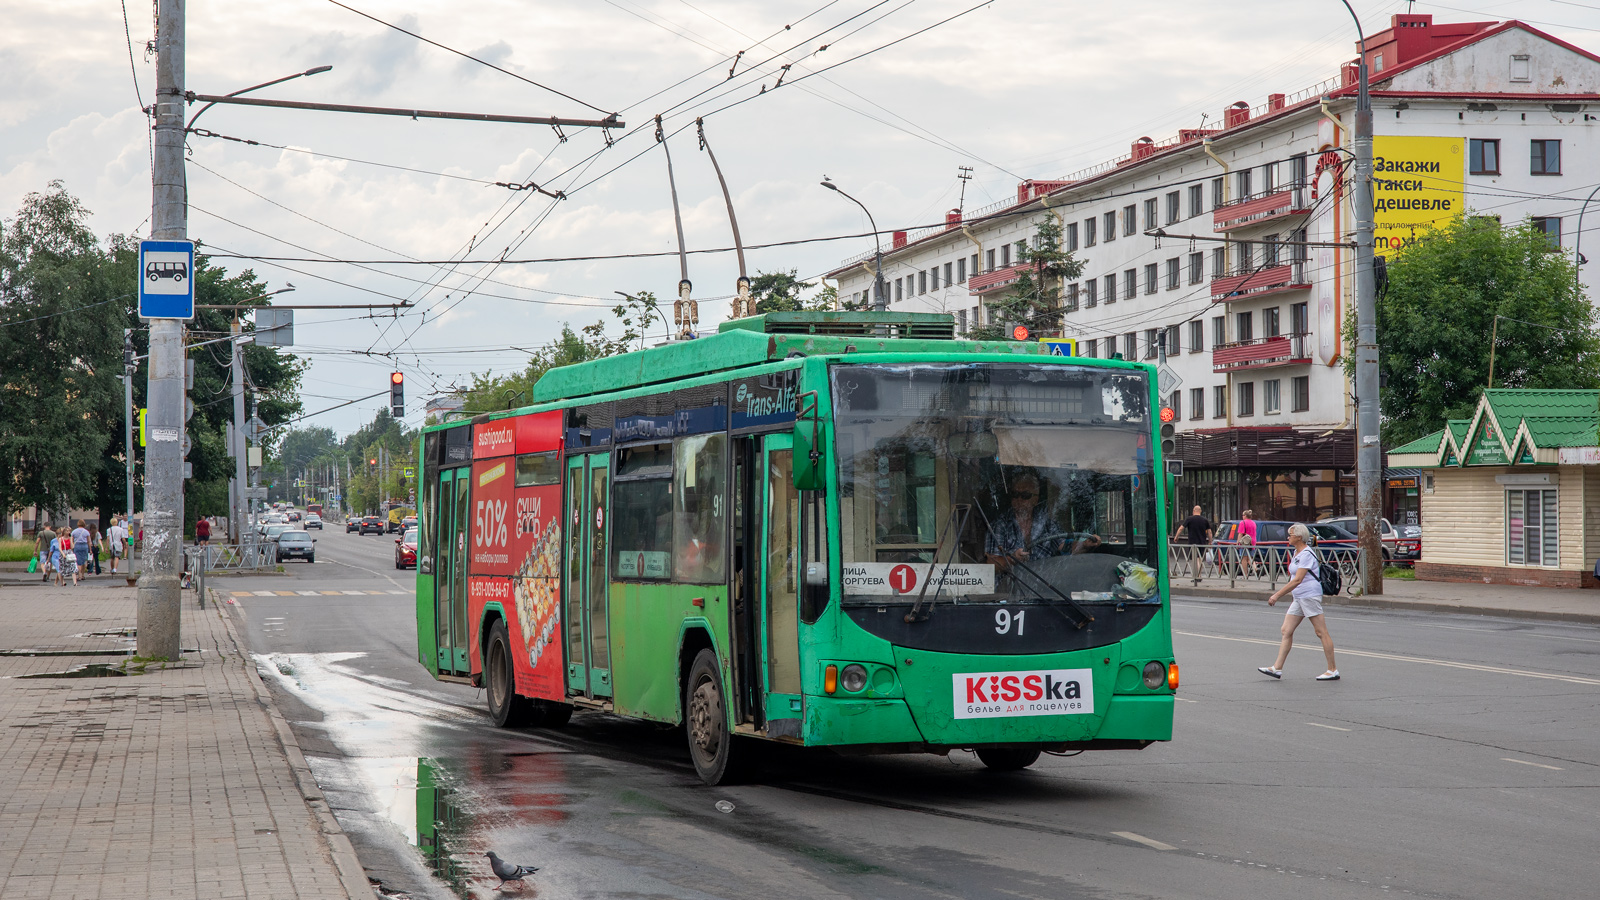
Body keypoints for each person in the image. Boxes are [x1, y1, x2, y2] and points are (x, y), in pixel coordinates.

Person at [1259, 522, 1340, 681]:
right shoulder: (1297, 553)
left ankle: (1332, 669)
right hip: (1299, 597)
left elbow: (1297, 580)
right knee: (1286, 630)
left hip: (1309, 595)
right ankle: (1277, 668)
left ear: (1299, 537)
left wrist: (1277, 595)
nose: (1288, 537)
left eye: (1290, 535)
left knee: (1321, 632)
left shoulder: (1306, 554)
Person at [985, 474, 1062, 571]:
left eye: (1025, 495)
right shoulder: (1000, 525)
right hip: (1012, 584)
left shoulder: (1047, 523)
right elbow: (991, 565)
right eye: (1015, 494)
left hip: (1044, 582)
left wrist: (1083, 545)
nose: (1019, 499)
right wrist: (1012, 559)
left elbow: (1065, 547)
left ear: (1036, 499)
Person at [1236, 509, 1259, 576]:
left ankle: (1245, 574)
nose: (1242, 516)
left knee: (1244, 558)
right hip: (1253, 542)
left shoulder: (1242, 523)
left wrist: (1238, 543)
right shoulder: (1253, 523)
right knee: (1250, 558)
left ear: (1245, 516)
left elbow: (1240, 534)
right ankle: (1255, 568)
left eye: (1243, 515)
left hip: (1245, 542)